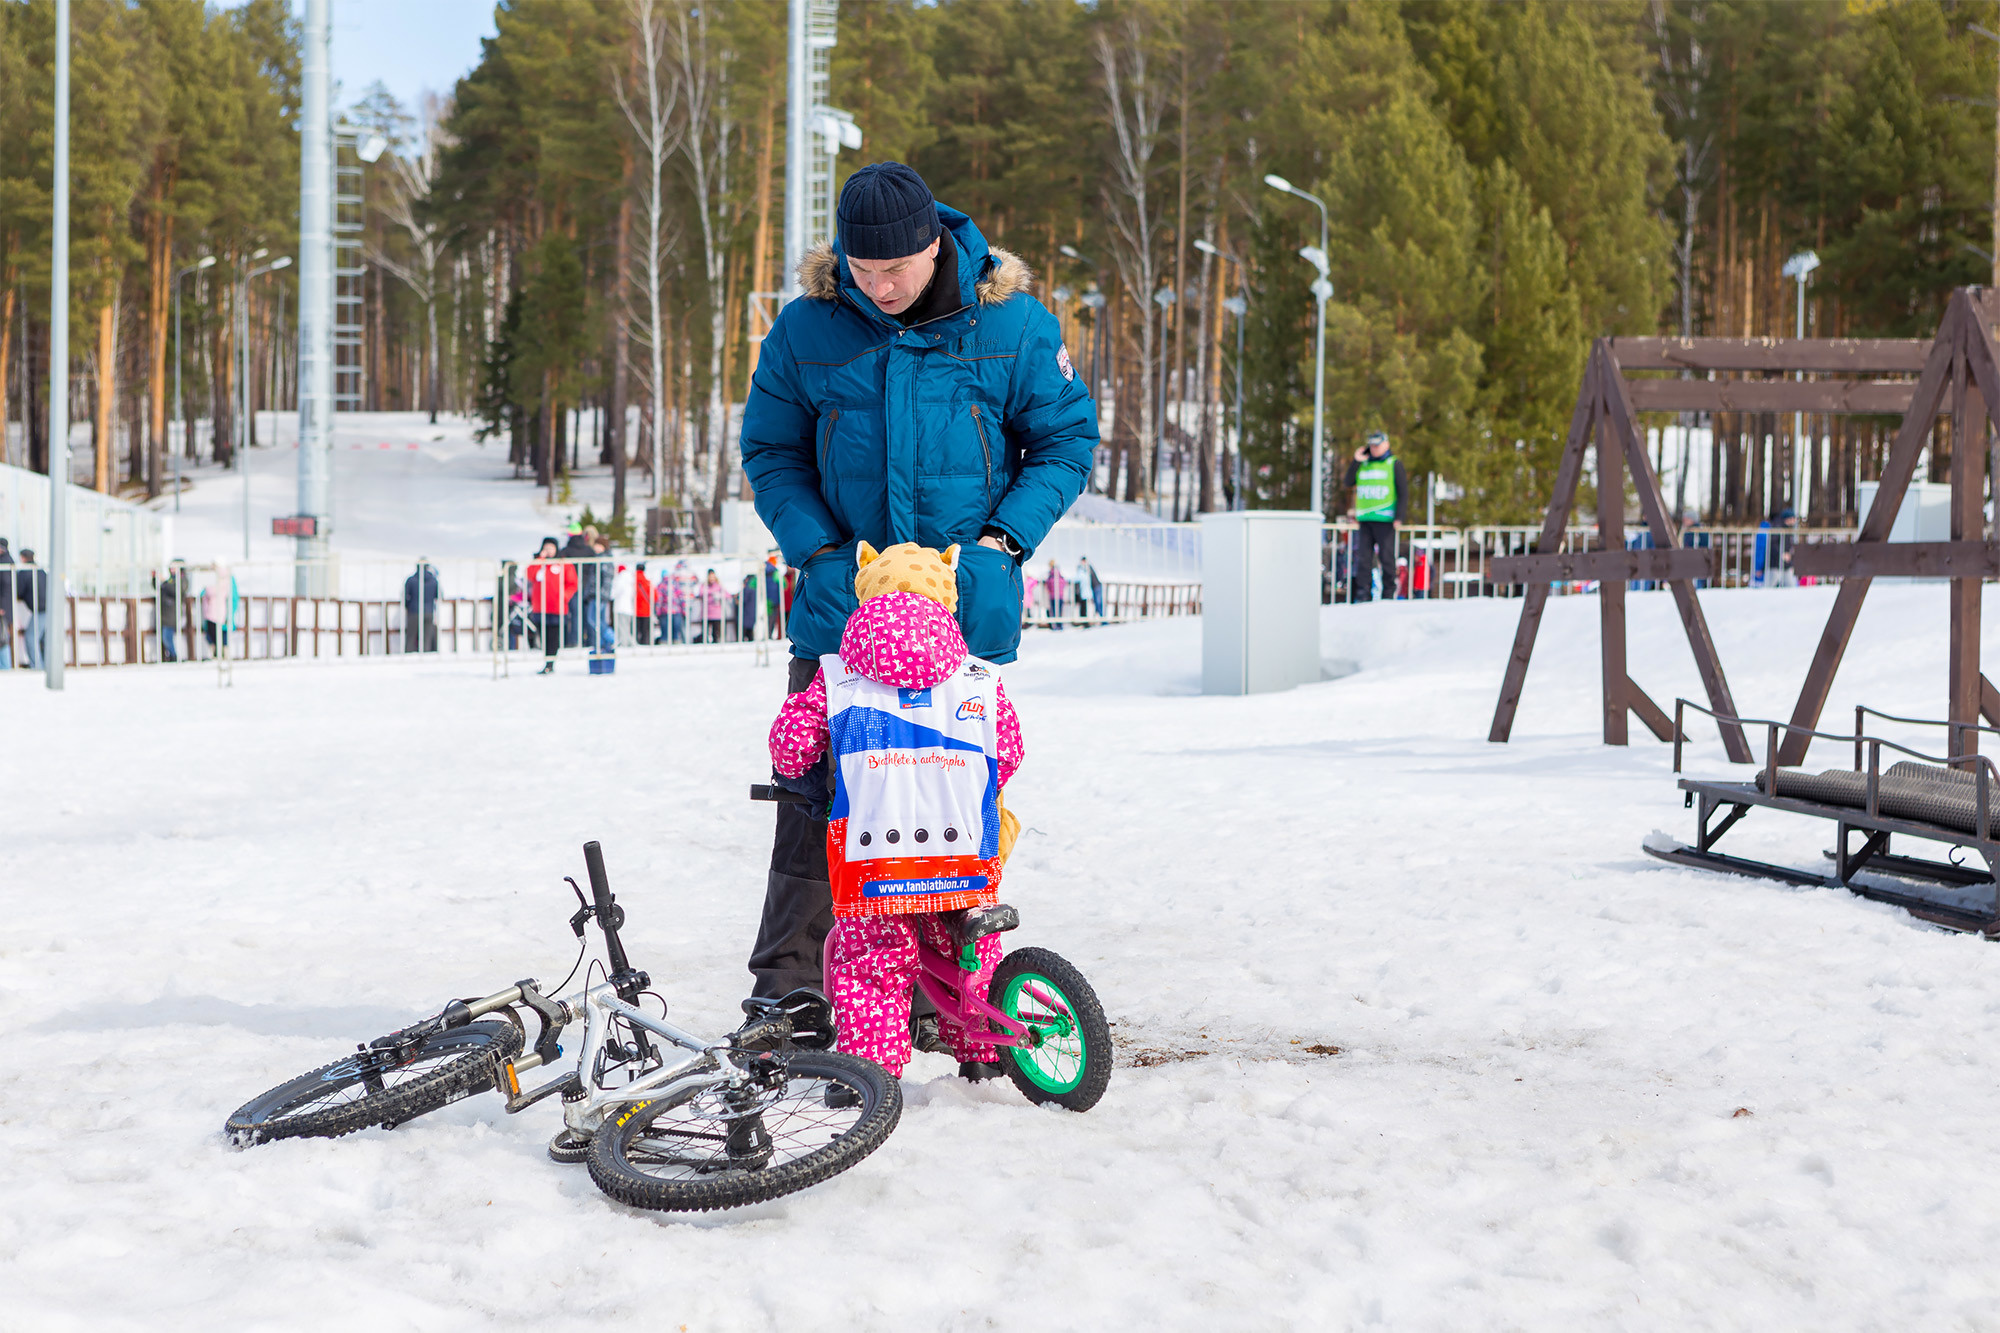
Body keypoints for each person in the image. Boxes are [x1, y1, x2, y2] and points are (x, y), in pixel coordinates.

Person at [738, 159, 1095, 1002]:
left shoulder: (1012, 325)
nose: (880, 286)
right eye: (863, 270)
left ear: (935, 246)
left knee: (949, 801)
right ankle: (791, 994)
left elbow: (1064, 441)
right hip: (843, 613)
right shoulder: (807, 329)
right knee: (816, 799)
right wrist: (820, 553)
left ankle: (948, 991)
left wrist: (1001, 543)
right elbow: (771, 450)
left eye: (895, 268)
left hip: (956, 617)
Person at [766, 542, 1023, 1079]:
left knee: (872, 964)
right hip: (963, 850)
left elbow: (790, 746)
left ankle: (870, 1077)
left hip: (873, 859)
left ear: (864, 588)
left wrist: (810, 786)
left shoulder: (837, 676)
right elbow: (1009, 751)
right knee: (969, 949)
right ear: (947, 595)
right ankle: (983, 1054)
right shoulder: (978, 676)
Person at [1343, 429, 1407, 603]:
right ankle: (1363, 594)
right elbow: (1348, 482)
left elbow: (1403, 492)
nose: (1374, 449)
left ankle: (1388, 594)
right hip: (1365, 520)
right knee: (1363, 559)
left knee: (1386, 558)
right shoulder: (1363, 464)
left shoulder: (1393, 463)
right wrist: (1356, 461)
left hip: (1385, 520)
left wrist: (1399, 516)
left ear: (1386, 445)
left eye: (1377, 445)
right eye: (1371, 445)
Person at [525, 537, 575, 674]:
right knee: (543, 635)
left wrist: (564, 596)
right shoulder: (538, 563)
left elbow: (572, 583)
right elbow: (530, 575)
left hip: (557, 606)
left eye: (550, 548)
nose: (548, 550)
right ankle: (548, 661)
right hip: (540, 606)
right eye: (546, 548)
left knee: (554, 635)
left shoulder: (563, 563)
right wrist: (540, 559)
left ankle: (550, 663)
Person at [403, 558, 440, 653]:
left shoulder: (411, 580)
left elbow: (405, 596)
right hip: (429, 612)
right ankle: (426, 655)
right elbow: (439, 595)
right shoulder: (433, 580)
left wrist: (408, 606)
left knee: (411, 637)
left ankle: (409, 655)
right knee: (427, 638)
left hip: (414, 611)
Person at [201, 561, 237, 657]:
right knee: (213, 636)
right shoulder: (214, 578)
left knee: (221, 637)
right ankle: (218, 655)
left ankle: (222, 655)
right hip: (211, 613)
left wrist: (230, 613)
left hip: (220, 613)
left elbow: (233, 598)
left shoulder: (225, 579)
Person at [156, 561, 183, 663]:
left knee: (167, 637)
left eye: (174, 567)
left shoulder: (181, 579)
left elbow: (176, 591)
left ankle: (173, 657)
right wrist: (155, 579)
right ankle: (172, 657)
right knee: (166, 637)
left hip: (172, 614)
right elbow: (159, 588)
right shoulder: (171, 580)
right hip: (165, 614)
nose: (171, 569)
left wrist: (164, 582)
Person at [669, 559, 697, 643]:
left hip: (680, 603)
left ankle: (684, 640)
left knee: (681, 624)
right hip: (690, 601)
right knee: (687, 623)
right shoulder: (692, 574)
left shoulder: (676, 574)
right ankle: (688, 641)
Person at [1074, 554, 1103, 627]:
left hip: (1094, 588)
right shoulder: (1085, 569)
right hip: (1089, 590)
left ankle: (1101, 619)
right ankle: (1092, 620)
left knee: (1097, 604)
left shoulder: (1087, 568)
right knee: (1088, 606)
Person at [702, 567, 727, 644]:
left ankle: (716, 643)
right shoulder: (704, 585)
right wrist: (711, 592)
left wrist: (719, 595)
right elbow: (701, 593)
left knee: (716, 632)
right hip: (707, 612)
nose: (712, 578)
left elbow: (727, 594)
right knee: (705, 632)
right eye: (710, 576)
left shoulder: (718, 586)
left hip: (716, 613)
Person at [0, 538, 14, 669]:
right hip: (4, 606)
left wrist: (2, 606)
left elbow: (5, 585)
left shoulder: (4, 563)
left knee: (2, 637)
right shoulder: (7, 560)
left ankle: (5, 667)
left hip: (3, 607)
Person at [1044, 558, 1068, 630]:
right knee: (1060, 611)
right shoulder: (1061, 577)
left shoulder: (1050, 577)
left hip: (1053, 596)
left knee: (1054, 611)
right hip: (1060, 596)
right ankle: (1060, 625)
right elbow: (1064, 583)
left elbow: (1048, 585)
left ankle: (1055, 625)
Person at [632, 562, 653, 645]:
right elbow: (654, 596)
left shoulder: (632, 581)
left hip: (634, 609)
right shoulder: (647, 582)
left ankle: (636, 643)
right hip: (646, 610)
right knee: (645, 631)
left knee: (636, 630)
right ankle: (645, 644)